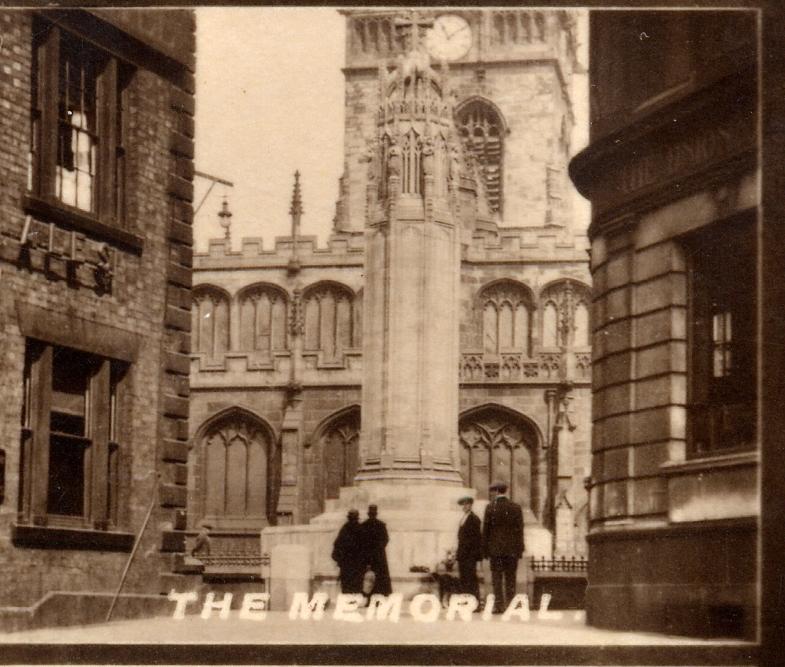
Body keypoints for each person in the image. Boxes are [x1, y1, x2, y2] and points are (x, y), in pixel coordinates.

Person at [482, 481, 524, 613]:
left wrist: (485, 550)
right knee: (511, 578)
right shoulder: (516, 507)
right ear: (506, 491)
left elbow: (486, 531)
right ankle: (511, 604)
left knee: (497, 579)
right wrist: (520, 549)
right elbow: (520, 530)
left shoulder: (490, 507)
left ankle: (499, 606)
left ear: (495, 492)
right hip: (512, 550)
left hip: (496, 550)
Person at [331, 509, 366, 594]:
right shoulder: (360, 528)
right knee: (356, 585)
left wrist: (339, 558)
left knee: (347, 586)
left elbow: (337, 544)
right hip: (357, 563)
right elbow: (365, 546)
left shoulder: (345, 528)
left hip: (347, 562)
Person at [360, 504, 392, 595]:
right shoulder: (381, 525)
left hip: (367, 554)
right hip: (379, 554)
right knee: (380, 575)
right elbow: (386, 539)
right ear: (376, 514)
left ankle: (368, 594)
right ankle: (381, 593)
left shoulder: (364, 525)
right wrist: (379, 548)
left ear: (368, 514)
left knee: (368, 575)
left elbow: (361, 541)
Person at [456, 496, 482, 604]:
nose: (465, 506)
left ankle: (474, 602)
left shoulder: (474, 519)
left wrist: (474, 554)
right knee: (464, 577)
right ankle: (465, 600)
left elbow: (476, 538)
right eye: (463, 505)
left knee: (471, 578)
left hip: (470, 554)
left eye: (467, 504)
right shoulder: (464, 518)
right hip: (463, 553)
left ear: (471, 505)